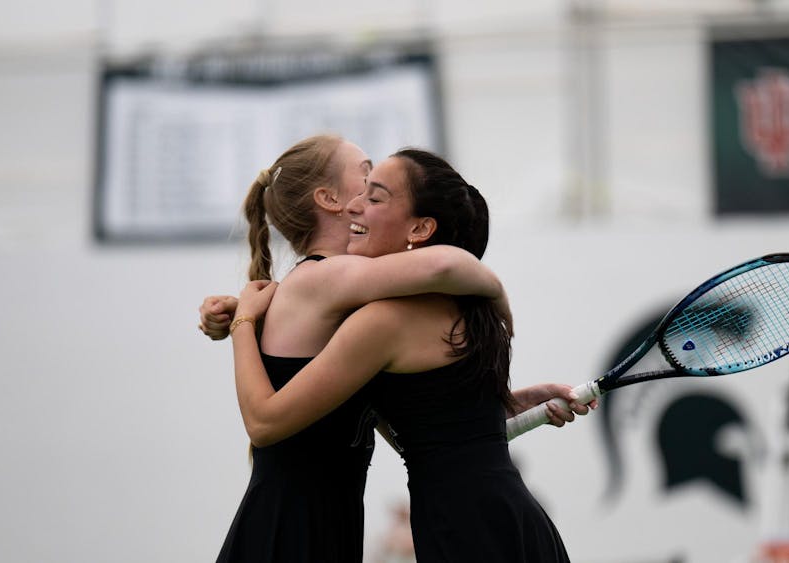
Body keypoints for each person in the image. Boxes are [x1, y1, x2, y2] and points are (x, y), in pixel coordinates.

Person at [229, 149, 585, 562]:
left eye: (374, 196)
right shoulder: (469, 308)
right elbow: (445, 429)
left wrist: (243, 321)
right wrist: (506, 406)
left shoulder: (384, 322)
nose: (356, 206)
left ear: (420, 228)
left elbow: (265, 422)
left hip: (464, 531)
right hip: (518, 523)